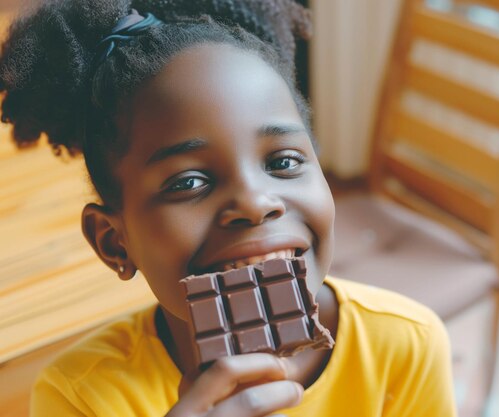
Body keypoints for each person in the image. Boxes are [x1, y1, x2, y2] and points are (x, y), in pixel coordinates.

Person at [0, 1, 457, 416]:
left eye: (283, 162)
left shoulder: (407, 346)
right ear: (113, 242)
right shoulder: (80, 396)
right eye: (189, 182)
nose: (256, 204)